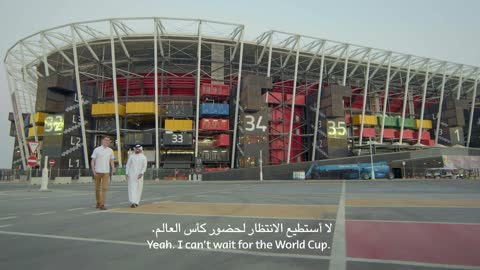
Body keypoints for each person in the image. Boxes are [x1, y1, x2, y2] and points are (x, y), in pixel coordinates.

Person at [91, 136, 116, 210]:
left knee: (104, 188)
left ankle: (102, 204)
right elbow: (93, 161)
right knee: (97, 189)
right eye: (106, 140)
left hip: (106, 172)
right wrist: (93, 171)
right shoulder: (97, 150)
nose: (107, 142)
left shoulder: (110, 150)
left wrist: (113, 167)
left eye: (109, 141)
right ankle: (98, 202)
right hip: (98, 171)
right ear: (102, 141)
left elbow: (112, 160)